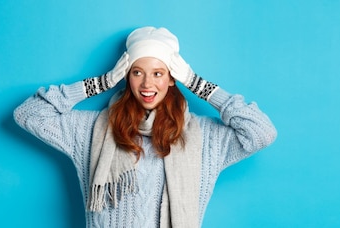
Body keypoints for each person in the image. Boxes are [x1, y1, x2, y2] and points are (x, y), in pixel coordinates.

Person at [14, 26, 277, 228]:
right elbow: (30, 114)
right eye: (137, 72)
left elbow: (261, 133)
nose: (147, 84)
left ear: (173, 79)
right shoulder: (92, 129)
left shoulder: (205, 137)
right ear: (126, 77)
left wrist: (199, 85)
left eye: (158, 73)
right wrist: (99, 83)